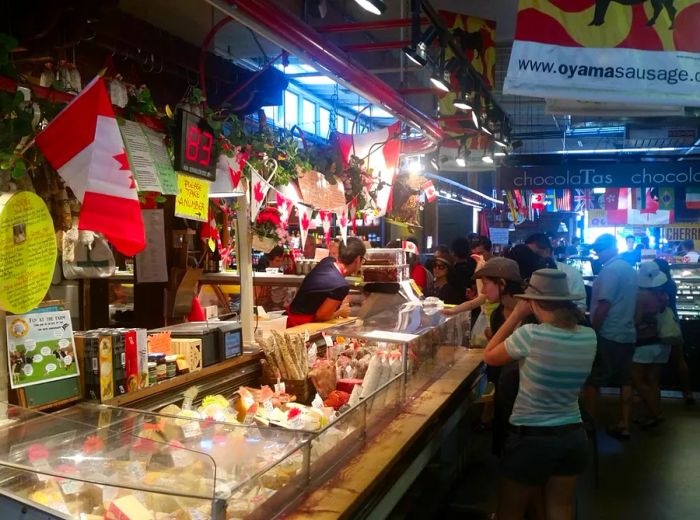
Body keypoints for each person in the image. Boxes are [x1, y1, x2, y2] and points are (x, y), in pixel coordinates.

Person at [484, 269, 596, 520]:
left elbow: (489, 355)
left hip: (531, 438)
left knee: (510, 512)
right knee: (560, 508)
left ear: (533, 302)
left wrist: (514, 316)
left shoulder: (531, 335)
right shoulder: (589, 336)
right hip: (573, 434)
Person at [583, 233, 638, 439]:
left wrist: (593, 330)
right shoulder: (629, 269)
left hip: (608, 333)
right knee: (625, 381)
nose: (598, 253)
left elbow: (604, 304)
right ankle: (624, 423)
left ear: (612, 249)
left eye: (601, 249)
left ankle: (589, 424)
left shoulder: (611, 271)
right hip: (627, 333)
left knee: (593, 379)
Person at [474, 258, 526, 455]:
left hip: (525, 407)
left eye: (486, 284)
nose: (483, 291)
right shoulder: (497, 315)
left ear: (502, 284)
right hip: (505, 395)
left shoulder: (530, 316)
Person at [286, 237, 365, 327]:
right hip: (300, 325)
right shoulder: (340, 286)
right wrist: (340, 312)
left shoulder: (327, 261)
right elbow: (321, 317)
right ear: (358, 259)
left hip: (291, 318)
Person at [631, 262, 671, 429]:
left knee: (637, 380)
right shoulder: (663, 295)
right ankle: (652, 413)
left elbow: (637, 320)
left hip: (644, 342)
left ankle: (655, 413)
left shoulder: (641, 296)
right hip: (662, 342)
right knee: (653, 380)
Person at [655, 259, 694, 405]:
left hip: (659, 324)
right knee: (680, 359)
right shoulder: (671, 283)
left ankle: (655, 395)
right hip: (674, 322)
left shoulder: (657, 285)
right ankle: (688, 392)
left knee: (656, 362)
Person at [544, 243, 587, 311]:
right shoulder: (527, 272)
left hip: (568, 318)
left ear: (547, 251)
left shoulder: (571, 272)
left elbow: (580, 305)